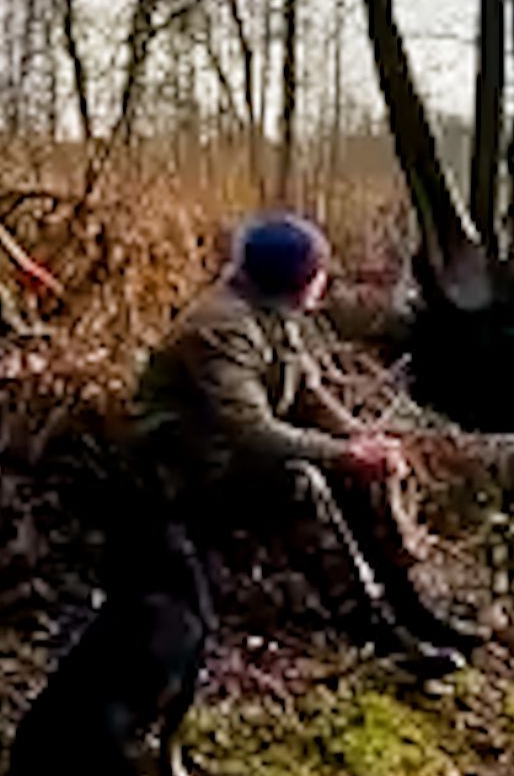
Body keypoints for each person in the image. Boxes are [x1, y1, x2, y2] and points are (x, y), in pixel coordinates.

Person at [118, 212, 481, 690]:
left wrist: (360, 442)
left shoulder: (273, 310)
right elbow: (249, 430)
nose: (324, 281)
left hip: (227, 453)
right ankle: (370, 628)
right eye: (318, 272)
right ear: (297, 277)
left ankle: (411, 608)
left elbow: (309, 394)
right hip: (183, 470)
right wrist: (341, 455)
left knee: (357, 470)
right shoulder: (221, 328)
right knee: (299, 481)